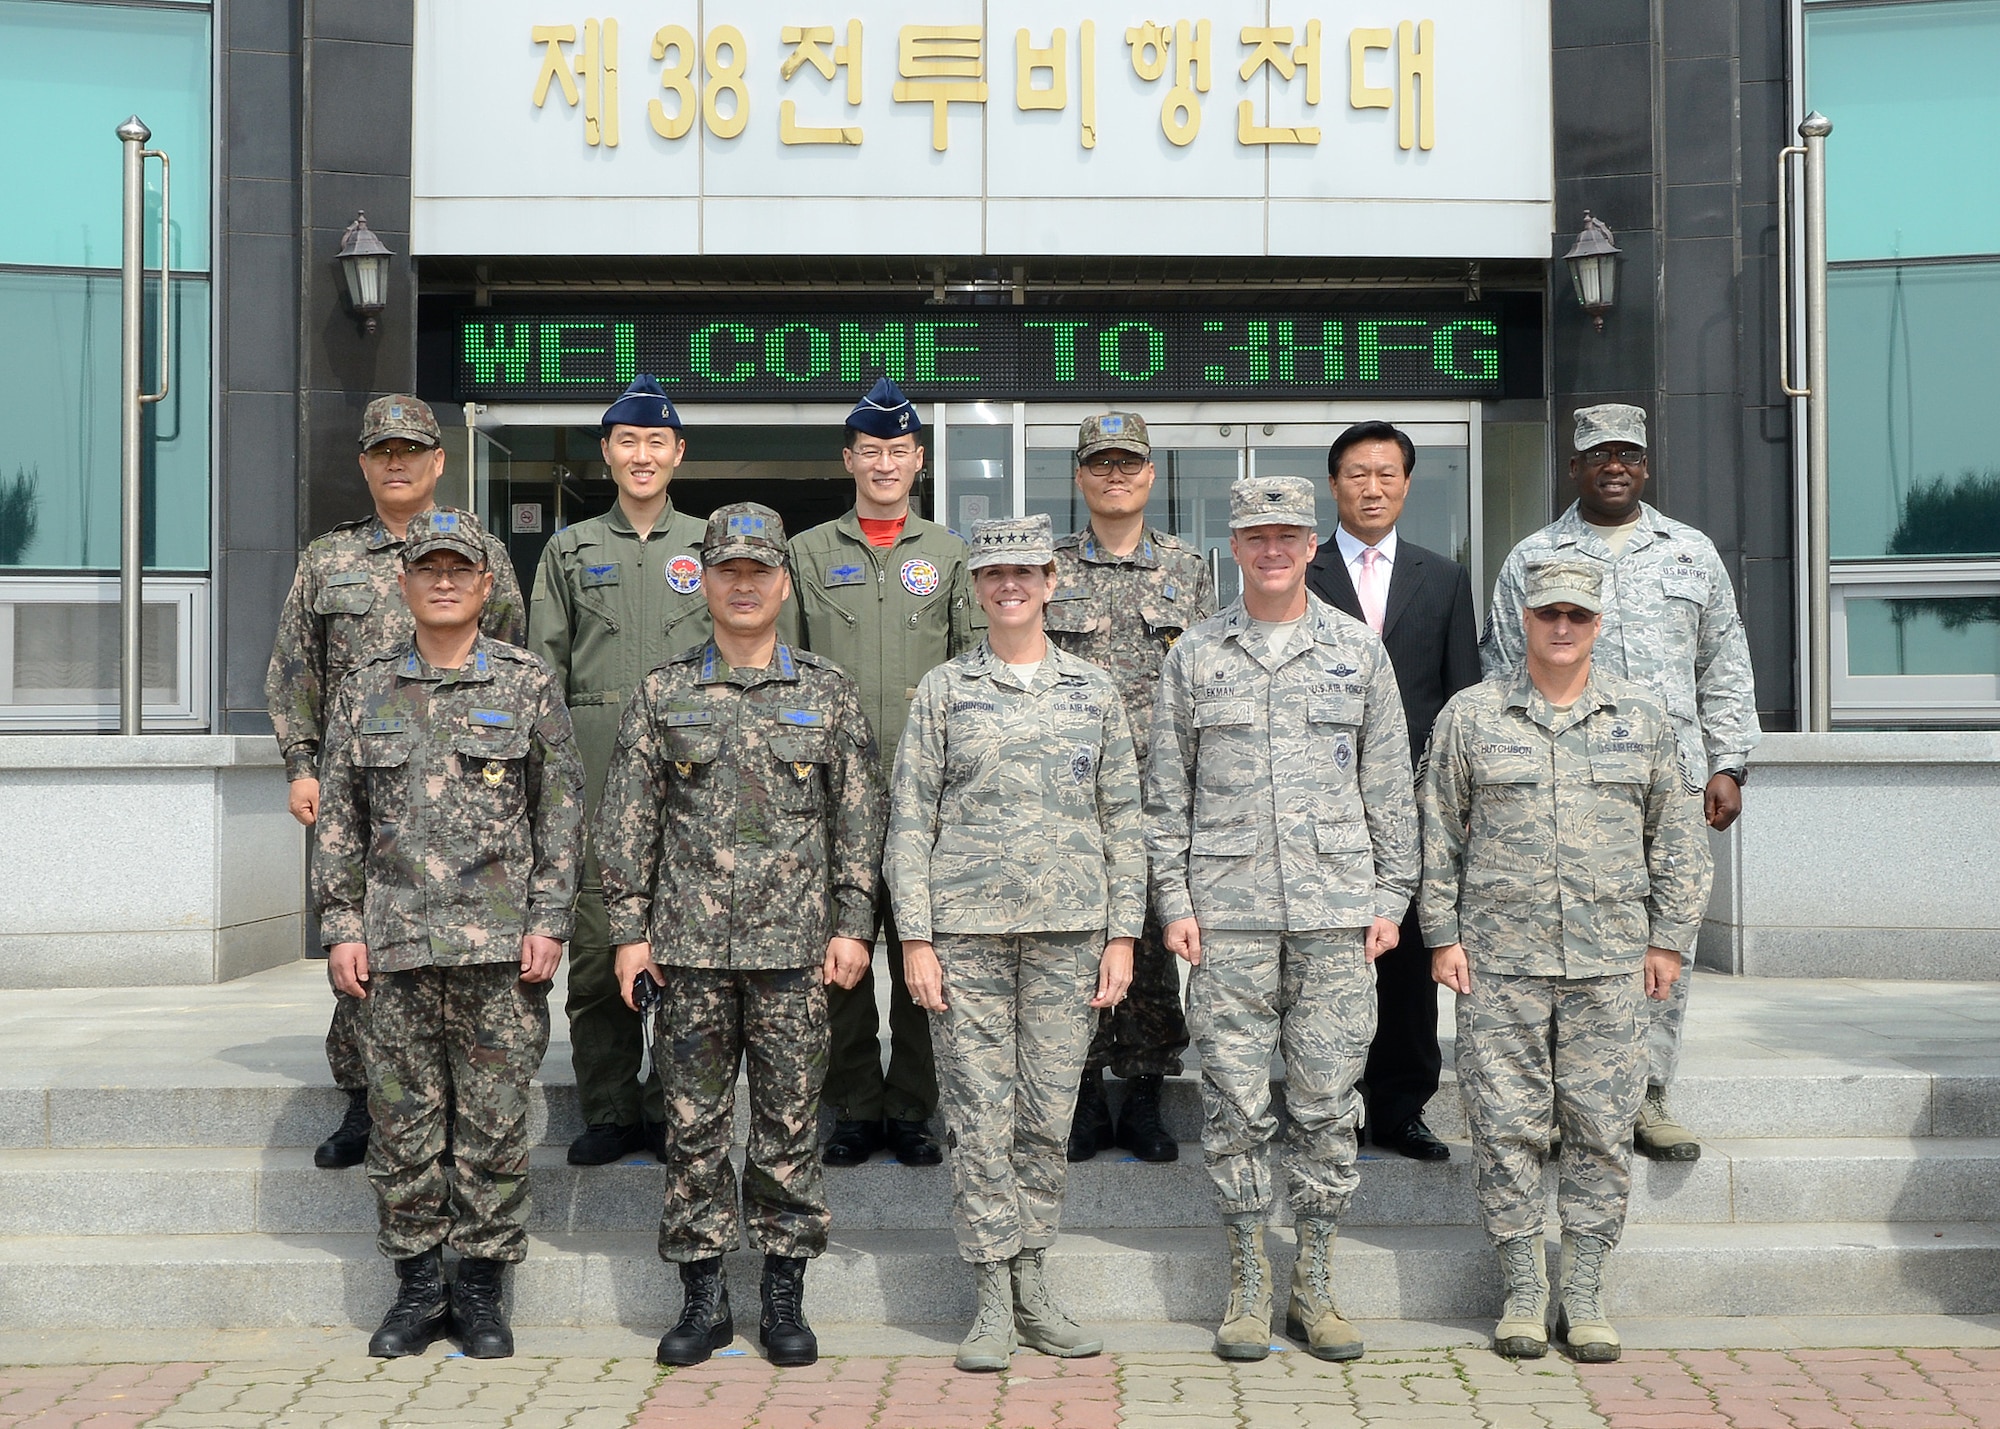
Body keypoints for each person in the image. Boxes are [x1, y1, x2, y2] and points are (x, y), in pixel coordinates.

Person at [600, 503, 884, 1370]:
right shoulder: (663, 692)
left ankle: (783, 1297)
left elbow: (859, 820)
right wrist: (627, 933)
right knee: (692, 1128)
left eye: (760, 570)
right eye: (730, 570)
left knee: (790, 1127)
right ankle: (704, 1299)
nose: (745, 584)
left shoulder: (826, 692)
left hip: (796, 954)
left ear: (784, 583)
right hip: (686, 953)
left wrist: (854, 924)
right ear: (706, 581)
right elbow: (627, 824)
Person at [1146, 475, 1418, 1363]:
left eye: (1287, 535)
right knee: (1231, 1104)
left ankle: (1316, 1279)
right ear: (1235, 546)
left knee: (1327, 1103)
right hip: (1226, 918)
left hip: (1338, 915)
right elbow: (1164, 797)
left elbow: (1389, 786)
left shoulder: (1357, 652)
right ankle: (1246, 1279)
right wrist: (1174, 903)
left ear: (1312, 544)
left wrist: (1391, 898)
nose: (1271, 550)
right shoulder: (1195, 655)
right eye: (1255, 535)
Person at [314, 509, 584, 1360]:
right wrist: (341, 928)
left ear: (483, 585)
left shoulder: (526, 682)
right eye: (427, 568)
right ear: (403, 584)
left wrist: (550, 921)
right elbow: (340, 825)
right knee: (401, 1125)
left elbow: (563, 810)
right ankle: (417, 1287)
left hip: (501, 951)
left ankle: (479, 1287)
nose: (441, 580)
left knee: (496, 1123)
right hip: (392, 947)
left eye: (458, 570)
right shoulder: (361, 689)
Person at [1424, 558, 1707, 1363]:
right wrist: (1440, 935)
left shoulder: (1643, 718)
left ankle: (1582, 1291)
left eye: (1576, 615)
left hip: (1611, 964)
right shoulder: (1472, 716)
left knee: (1601, 1128)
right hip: (1499, 963)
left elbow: (1678, 839)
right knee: (1506, 1127)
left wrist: (1667, 940)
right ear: (1524, 618)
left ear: (1598, 622)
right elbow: (1437, 831)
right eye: (1547, 612)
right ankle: (1522, 1287)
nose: (1560, 627)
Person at [887, 514, 1146, 1373]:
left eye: (1024, 574)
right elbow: (910, 817)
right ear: (977, 588)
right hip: (966, 937)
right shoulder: (944, 690)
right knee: (978, 1114)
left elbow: (1124, 820)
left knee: (1045, 1114)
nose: (1009, 588)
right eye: (993, 575)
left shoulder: (1094, 690)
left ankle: (1033, 1277)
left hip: (1070, 935)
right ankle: (991, 1292)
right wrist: (916, 938)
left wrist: (1122, 933)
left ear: (1048, 581)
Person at [1482, 404, 1760, 1163]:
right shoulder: (1534, 555)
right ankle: (1552, 1098)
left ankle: (1648, 1093)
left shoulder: (1691, 554)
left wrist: (1728, 763)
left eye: (1628, 454)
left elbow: (1724, 665)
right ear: (1573, 467)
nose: (1615, 465)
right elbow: (1504, 670)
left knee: (1666, 934)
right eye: (1598, 453)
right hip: (1562, 785)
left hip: (1667, 781)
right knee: (1559, 937)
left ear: (1646, 465)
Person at [266, 394, 525, 1171]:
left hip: (467, 786)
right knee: (362, 942)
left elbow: (512, 659)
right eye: (384, 452)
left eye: (412, 450)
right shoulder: (328, 559)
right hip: (364, 785)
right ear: (365, 464)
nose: (398, 463)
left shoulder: (484, 553)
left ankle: (452, 1103)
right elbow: (293, 670)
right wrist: (302, 764)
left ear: (439, 461)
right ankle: (362, 1098)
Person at [779, 376, 974, 1168]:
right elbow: (787, 668)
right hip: (833, 795)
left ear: (918, 459)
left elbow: (969, 673)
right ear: (849, 458)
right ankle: (855, 1105)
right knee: (841, 957)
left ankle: (915, 1108)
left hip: (928, 797)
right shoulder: (808, 552)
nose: (884, 462)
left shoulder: (950, 556)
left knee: (929, 957)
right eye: (871, 450)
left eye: (898, 450)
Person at [528, 374, 710, 1167]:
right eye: (627, 442)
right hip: (598, 778)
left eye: (656, 442)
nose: (642, 455)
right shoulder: (570, 550)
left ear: (678, 453)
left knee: (686, 959)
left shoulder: (710, 547)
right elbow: (544, 673)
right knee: (600, 956)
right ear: (607, 453)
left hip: (695, 778)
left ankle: (672, 1108)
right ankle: (607, 1108)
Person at [1304, 421, 1480, 1164]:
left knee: (1408, 955)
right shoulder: (1297, 571)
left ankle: (1402, 1107)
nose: (1371, 487)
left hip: (1414, 801)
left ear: (1407, 484)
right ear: (1334, 484)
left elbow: (1461, 690)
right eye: (1356, 474)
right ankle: (1327, 1101)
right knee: (1326, 958)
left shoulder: (1441, 576)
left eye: (1385, 474)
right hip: (1318, 800)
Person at [1043, 413, 1214, 1165]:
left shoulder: (1187, 568)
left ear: (1150, 474)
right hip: (1067, 794)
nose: (1115, 474)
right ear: (1080, 475)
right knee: (1077, 940)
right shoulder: (1046, 569)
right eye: (1100, 463)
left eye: (1128, 463)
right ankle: (1080, 1091)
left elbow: (1207, 677)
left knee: (1148, 941)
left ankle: (1144, 1089)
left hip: (1156, 790)